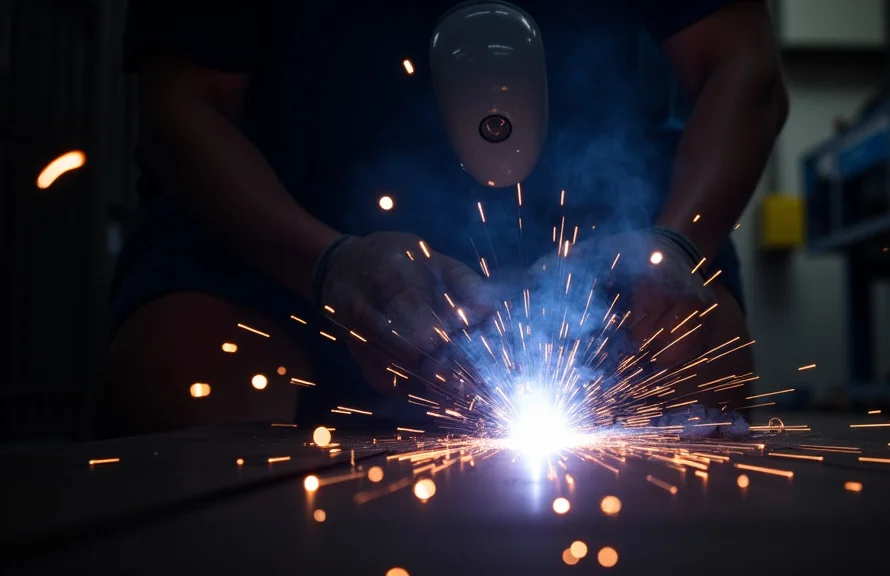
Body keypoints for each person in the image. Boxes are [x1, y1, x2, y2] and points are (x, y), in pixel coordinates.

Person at [100, 0, 787, 437]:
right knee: (187, 380)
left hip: (603, 242)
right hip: (283, 241)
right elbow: (181, 110)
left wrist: (671, 243)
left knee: (700, 374)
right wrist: (326, 264)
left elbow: (740, 65)